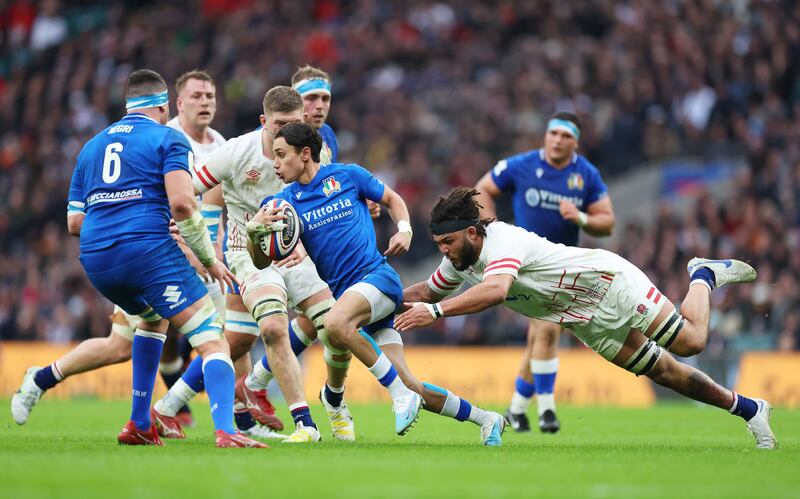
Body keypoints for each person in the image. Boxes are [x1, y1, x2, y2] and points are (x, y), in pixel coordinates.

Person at [395, 187, 777, 450]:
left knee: (691, 342)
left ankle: (703, 275)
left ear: (474, 233)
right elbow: (427, 290)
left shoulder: (503, 242)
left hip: (608, 284)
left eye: (448, 243)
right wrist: (376, 295)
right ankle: (749, 409)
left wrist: (437, 312)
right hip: (582, 317)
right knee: (665, 372)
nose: (444, 252)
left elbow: (494, 291)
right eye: (439, 245)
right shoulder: (460, 260)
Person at [13, 69, 264, 448]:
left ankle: (137, 422)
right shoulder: (170, 139)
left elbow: (74, 222)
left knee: (147, 324)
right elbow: (182, 204)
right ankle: (227, 431)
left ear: (128, 105)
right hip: (150, 253)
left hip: (97, 258)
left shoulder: (92, 146)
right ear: (165, 106)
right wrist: (207, 258)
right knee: (213, 340)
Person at [247, 123, 507, 446]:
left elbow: (392, 198)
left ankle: (387, 395)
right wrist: (254, 234)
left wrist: (404, 229)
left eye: (281, 155)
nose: (274, 163)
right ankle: (487, 419)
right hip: (354, 299)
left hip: (378, 279)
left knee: (335, 322)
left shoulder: (348, 176)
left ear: (305, 154)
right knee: (413, 384)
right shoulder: (282, 205)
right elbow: (260, 261)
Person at [151, 86, 353, 443]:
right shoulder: (236, 152)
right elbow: (190, 189)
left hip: (297, 253)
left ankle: (167, 407)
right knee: (274, 328)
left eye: (295, 124)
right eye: (280, 125)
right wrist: (185, 231)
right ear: (264, 121)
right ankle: (305, 423)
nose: (287, 132)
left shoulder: (313, 151)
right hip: (247, 250)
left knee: (331, 327)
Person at [475, 111, 615, 433]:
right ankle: (547, 411)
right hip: (527, 265)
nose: (557, 140)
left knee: (539, 337)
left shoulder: (586, 175)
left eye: (565, 136)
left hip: (566, 265)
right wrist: (491, 229)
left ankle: (517, 409)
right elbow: (482, 189)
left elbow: (607, 222)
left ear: (575, 142)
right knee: (549, 329)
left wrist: (580, 218)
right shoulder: (522, 165)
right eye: (553, 133)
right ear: (545, 136)